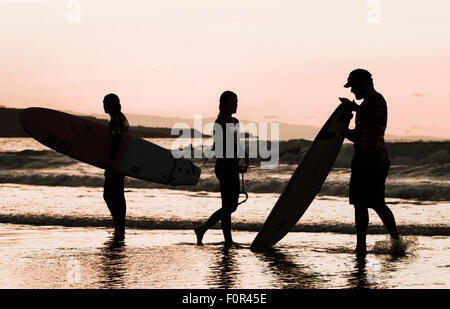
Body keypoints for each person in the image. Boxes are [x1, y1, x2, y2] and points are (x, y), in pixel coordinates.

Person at [339, 69, 406, 256]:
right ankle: (396, 243)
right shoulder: (367, 104)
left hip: (371, 157)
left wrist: (356, 109)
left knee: (364, 203)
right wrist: (343, 129)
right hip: (369, 156)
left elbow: (380, 119)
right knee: (375, 203)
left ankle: (364, 247)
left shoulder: (376, 99)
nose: (352, 91)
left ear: (362, 82)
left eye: (353, 86)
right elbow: (358, 136)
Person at [194, 91, 248, 246]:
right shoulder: (220, 123)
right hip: (225, 167)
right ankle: (202, 228)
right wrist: (234, 165)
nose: (236, 104)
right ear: (224, 104)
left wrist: (244, 157)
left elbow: (235, 143)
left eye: (237, 101)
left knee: (228, 207)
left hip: (233, 166)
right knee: (230, 207)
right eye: (233, 102)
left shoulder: (235, 121)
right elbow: (220, 150)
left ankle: (228, 240)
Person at [103, 93, 129, 239]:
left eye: (105, 103)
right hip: (121, 162)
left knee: (110, 195)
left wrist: (110, 162)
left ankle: (119, 226)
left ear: (111, 104)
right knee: (118, 195)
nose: (103, 106)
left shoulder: (116, 120)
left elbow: (116, 141)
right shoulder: (121, 117)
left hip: (116, 164)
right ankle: (119, 226)